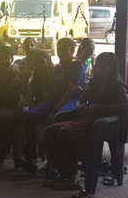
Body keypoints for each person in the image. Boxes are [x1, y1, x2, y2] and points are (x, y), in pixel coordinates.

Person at [43, 52, 128, 198]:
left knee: (65, 132)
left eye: (104, 67)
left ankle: (72, 175)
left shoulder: (117, 85)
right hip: (86, 118)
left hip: (103, 123)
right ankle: (65, 173)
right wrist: (79, 106)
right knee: (49, 131)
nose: (100, 70)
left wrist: (99, 108)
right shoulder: (95, 83)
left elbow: (126, 107)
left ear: (112, 68)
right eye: (98, 67)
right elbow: (81, 100)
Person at [22, 38, 86, 174]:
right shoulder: (57, 68)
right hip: (56, 99)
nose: (61, 52)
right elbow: (53, 92)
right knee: (28, 116)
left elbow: (69, 92)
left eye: (65, 49)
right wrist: (51, 77)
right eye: (59, 49)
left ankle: (58, 165)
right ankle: (31, 158)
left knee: (58, 117)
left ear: (72, 51)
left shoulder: (77, 66)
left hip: (71, 101)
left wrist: (54, 110)